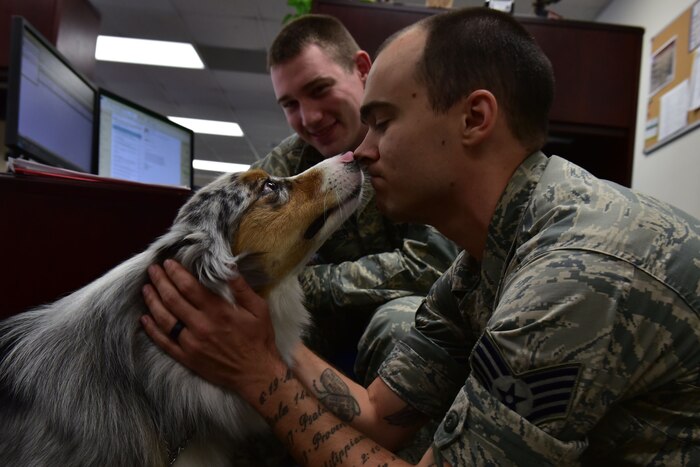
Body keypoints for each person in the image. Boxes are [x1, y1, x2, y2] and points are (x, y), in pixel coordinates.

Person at [141, 7, 700, 466]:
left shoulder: (572, 276)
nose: (360, 152)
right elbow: (380, 417)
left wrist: (259, 373)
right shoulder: (483, 261)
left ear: (474, 119)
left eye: (382, 122)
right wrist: (266, 344)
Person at [251, 14, 459, 384]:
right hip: (332, 334)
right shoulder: (291, 164)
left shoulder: (418, 139)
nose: (309, 117)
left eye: (319, 89)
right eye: (289, 104)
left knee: (398, 324)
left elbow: (431, 266)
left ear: (362, 69)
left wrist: (302, 282)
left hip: (416, 319)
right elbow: (241, 236)